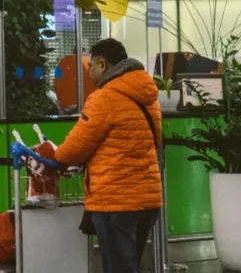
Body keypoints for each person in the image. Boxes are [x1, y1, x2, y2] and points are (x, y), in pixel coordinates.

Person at [51, 38, 162, 273]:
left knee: (119, 268)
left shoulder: (104, 98)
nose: (89, 70)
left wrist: (56, 157)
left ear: (102, 64)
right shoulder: (149, 98)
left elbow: (76, 146)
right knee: (129, 265)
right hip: (148, 200)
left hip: (116, 201)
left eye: (90, 65)